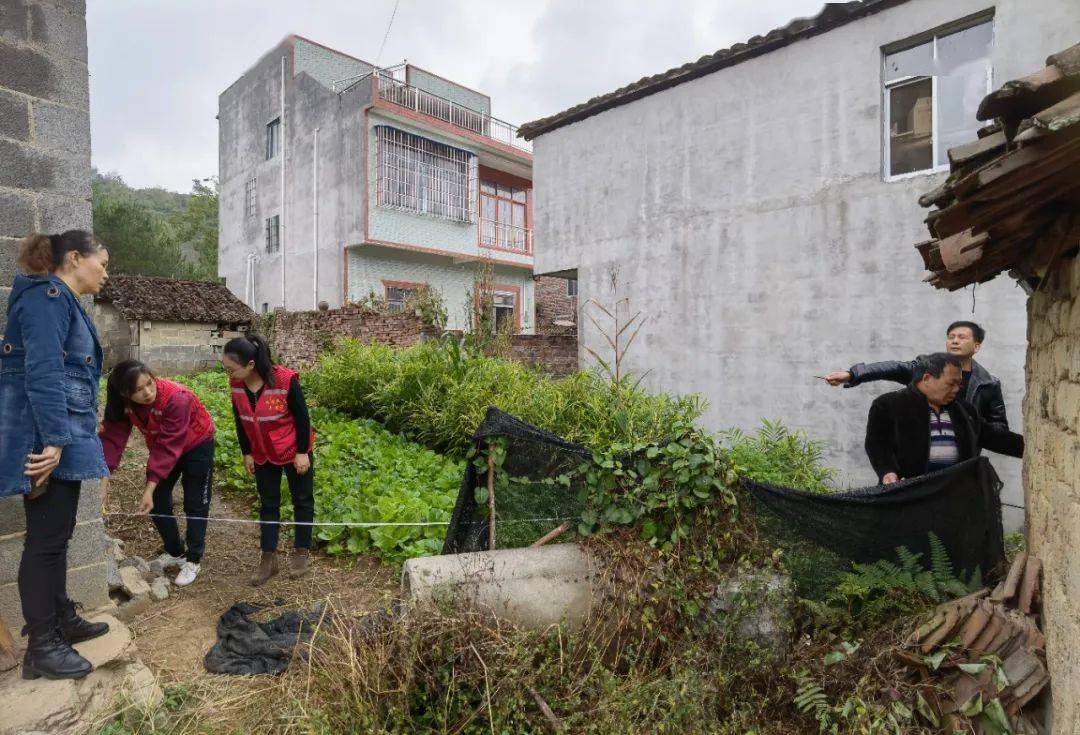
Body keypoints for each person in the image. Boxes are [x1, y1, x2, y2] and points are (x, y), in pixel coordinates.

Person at [0, 231, 112, 681]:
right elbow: (42, 369)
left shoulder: (61, 300)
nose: (105, 273)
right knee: (46, 542)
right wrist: (53, 440)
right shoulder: (48, 298)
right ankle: (42, 647)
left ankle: (61, 617)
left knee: (58, 535)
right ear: (74, 258)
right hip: (48, 438)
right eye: (101, 263)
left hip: (60, 433)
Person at [99, 360, 216, 587]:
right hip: (164, 447)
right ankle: (175, 551)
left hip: (196, 445)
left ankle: (193, 559)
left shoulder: (176, 398)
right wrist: (103, 481)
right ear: (124, 393)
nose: (148, 393)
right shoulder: (123, 404)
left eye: (149, 384)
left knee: (195, 503)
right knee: (159, 501)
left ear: (153, 377)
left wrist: (149, 487)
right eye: (138, 390)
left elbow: (167, 447)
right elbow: (112, 440)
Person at [221, 335, 315, 585]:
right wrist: (247, 452)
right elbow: (240, 419)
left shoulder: (284, 379)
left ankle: (301, 552)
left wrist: (302, 452)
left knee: (302, 499)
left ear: (250, 364)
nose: (228, 373)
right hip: (262, 452)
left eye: (231, 367)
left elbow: (302, 418)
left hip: (292, 449)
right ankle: (268, 557)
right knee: (268, 503)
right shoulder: (237, 384)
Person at [864, 353, 1023, 485]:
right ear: (927, 378)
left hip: (953, 495)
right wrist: (887, 472)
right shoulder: (888, 405)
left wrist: (1034, 448)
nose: (956, 390)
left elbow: (996, 438)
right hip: (907, 492)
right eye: (951, 384)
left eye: (958, 385)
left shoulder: (964, 411)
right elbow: (877, 445)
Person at [824, 321, 1009, 429]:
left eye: (962, 337)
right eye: (951, 337)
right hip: (918, 454)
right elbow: (892, 367)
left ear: (976, 346)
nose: (954, 341)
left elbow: (999, 427)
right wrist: (851, 374)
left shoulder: (988, 384)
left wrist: (972, 425)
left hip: (962, 462)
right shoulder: (926, 369)